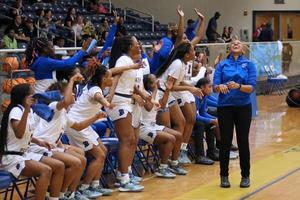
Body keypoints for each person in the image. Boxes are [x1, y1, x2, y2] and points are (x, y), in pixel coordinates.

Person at [32, 73, 104, 199]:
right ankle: (60, 193)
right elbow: (65, 101)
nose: (74, 94)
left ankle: (69, 192)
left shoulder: (64, 113)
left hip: (50, 146)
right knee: (77, 162)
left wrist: (95, 117)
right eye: (70, 92)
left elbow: (79, 126)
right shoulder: (54, 106)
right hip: (40, 147)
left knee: (81, 157)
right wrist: (71, 80)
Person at [0, 84, 65, 200]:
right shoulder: (16, 110)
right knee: (45, 170)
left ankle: (54, 198)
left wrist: (38, 141)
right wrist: (26, 111)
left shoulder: (28, 111)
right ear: (24, 97)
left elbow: (25, 133)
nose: (35, 96)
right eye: (32, 94)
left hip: (23, 153)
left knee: (59, 166)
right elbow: (19, 134)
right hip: (11, 157)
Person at [213, 39, 257, 188]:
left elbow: (251, 88)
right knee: (225, 142)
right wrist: (220, 86)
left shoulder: (250, 64)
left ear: (243, 49)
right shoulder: (222, 64)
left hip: (243, 107)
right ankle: (224, 176)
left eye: (238, 42)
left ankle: (245, 176)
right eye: (233, 43)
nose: (236, 43)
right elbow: (214, 87)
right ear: (229, 49)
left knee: (243, 141)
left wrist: (238, 86)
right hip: (225, 107)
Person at [66, 64, 114, 197]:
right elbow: (99, 98)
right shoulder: (95, 90)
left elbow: (103, 97)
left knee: (103, 151)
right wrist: (107, 104)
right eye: (110, 77)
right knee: (100, 155)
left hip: (84, 125)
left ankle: (95, 185)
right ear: (103, 78)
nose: (112, 79)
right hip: (76, 126)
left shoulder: (94, 86)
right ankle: (85, 187)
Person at [107, 36, 144, 192]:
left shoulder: (129, 61)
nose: (139, 45)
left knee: (129, 140)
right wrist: (109, 96)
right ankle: (123, 179)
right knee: (126, 140)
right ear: (130, 46)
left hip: (126, 101)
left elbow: (128, 83)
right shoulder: (123, 60)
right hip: (119, 102)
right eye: (137, 43)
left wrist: (144, 95)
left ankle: (124, 173)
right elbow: (114, 76)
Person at [142, 74, 183, 178]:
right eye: (154, 81)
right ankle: (162, 168)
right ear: (149, 84)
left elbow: (163, 105)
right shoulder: (144, 94)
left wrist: (168, 90)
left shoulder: (154, 93)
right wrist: (156, 89)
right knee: (171, 138)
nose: (157, 81)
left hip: (152, 125)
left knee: (178, 136)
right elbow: (149, 107)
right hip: (143, 127)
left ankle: (174, 164)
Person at [25, 37, 92, 93]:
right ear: (45, 49)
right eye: (51, 47)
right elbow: (68, 64)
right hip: (44, 94)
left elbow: (65, 62)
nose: (54, 48)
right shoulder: (44, 61)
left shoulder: (40, 60)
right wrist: (83, 50)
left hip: (42, 91)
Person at [193, 78, 220, 165]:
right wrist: (211, 120)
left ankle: (211, 152)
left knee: (210, 124)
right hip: (188, 121)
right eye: (209, 87)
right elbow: (195, 116)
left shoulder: (203, 96)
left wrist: (213, 119)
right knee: (200, 124)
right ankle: (200, 155)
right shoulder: (195, 97)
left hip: (196, 119)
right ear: (202, 87)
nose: (211, 89)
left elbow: (203, 112)